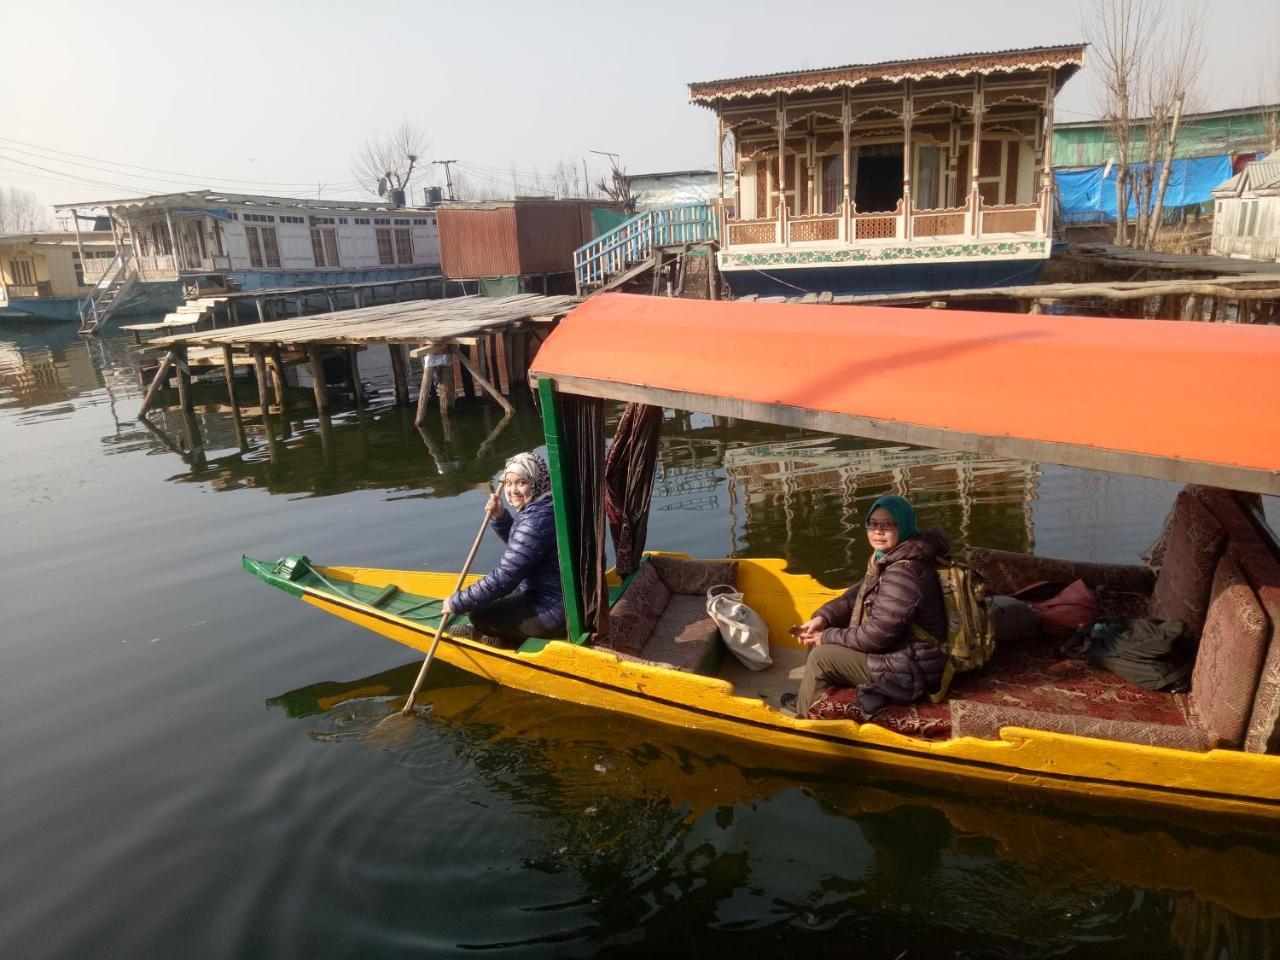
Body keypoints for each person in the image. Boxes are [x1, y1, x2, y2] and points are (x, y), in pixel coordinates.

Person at [787, 495, 950, 717]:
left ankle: (804, 720)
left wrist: (826, 637)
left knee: (820, 656)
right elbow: (859, 592)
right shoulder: (890, 557)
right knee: (816, 629)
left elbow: (876, 636)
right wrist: (823, 618)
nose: (878, 531)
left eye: (887, 525)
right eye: (873, 524)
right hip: (901, 653)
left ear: (903, 526)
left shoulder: (904, 571)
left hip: (912, 667)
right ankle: (809, 697)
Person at [442, 452, 565, 643]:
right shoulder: (544, 506)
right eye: (508, 483)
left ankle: (502, 640)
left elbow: (504, 577)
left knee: (477, 614)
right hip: (552, 596)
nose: (512, 490)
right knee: (490, 599)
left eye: (521, 483)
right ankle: (505, 634)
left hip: (552, 612)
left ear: (535, 482)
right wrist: (501, 518)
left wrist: (457, 602)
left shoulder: (533, 521)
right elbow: (527, 549)